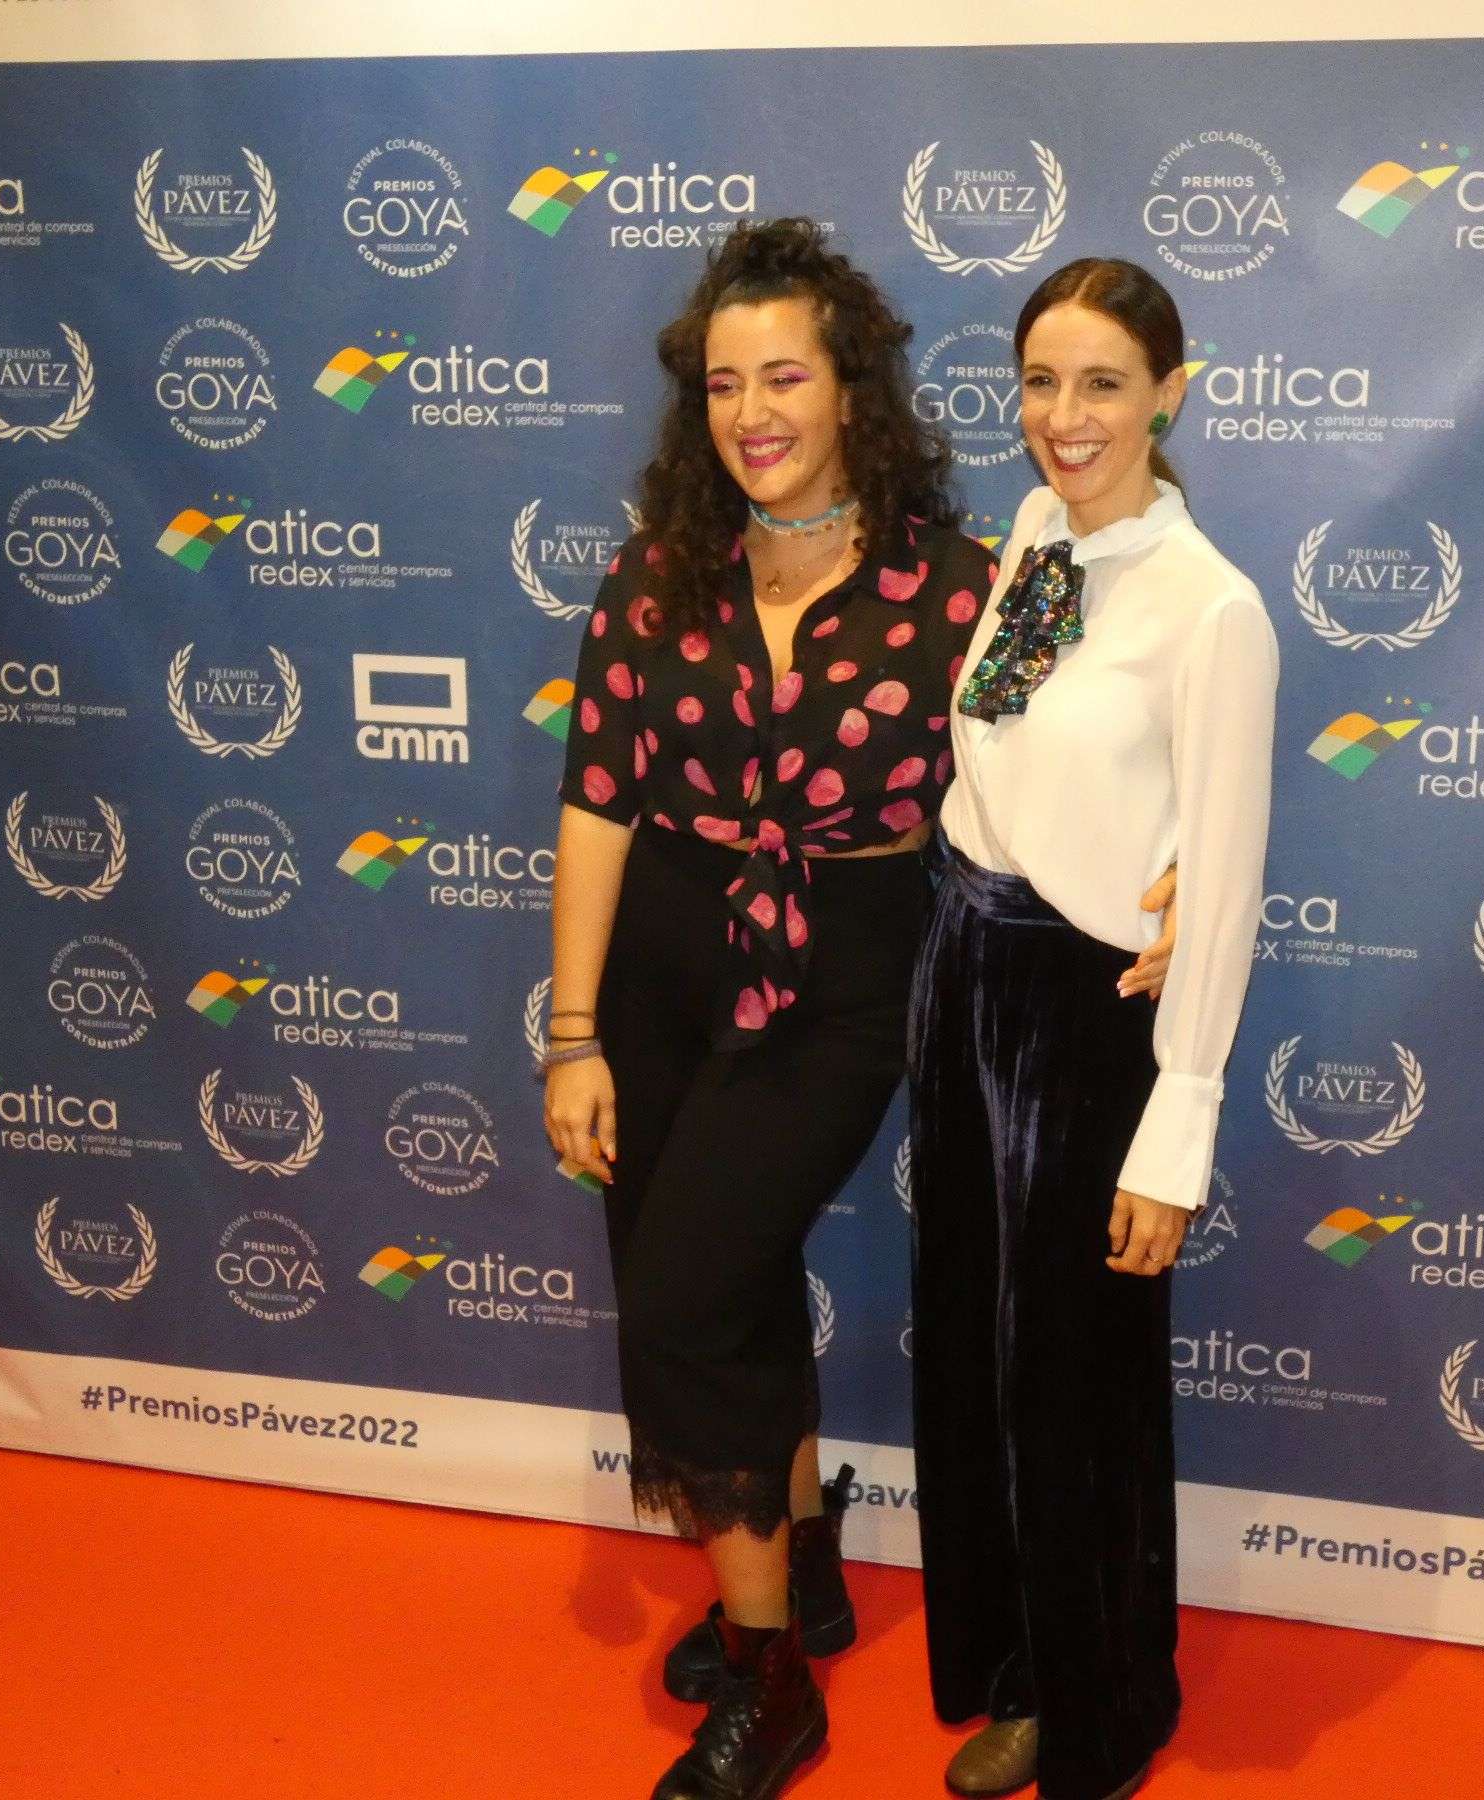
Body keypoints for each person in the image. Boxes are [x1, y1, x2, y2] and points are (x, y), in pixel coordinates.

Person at [539, 216, 1003, 1800]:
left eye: (785, 376)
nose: (754, 413)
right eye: (726, 384)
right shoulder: (659, 569)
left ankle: (770, 1683)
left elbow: (1080, 752)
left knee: (687, 1301)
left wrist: (1165, 875)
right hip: (662, 960)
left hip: (842, 970)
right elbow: (598, 796)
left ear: (852, 386)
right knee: (716, 1287)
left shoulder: (969, 590)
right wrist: (574, 1034)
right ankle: (799, 1564)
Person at [907, 257, 1279, 1800]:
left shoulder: (1213, 609)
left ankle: (1096, 1703)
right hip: (967, 971)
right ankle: (1011, 1661)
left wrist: (1176, 1125)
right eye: (1042, 383)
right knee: (971, 1351)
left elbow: (1230, 881)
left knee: (1073, 1380)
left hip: (1086, 1012)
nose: (1067, 418)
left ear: (1170, 394)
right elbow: (999, 757)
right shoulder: (1042, 537)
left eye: (1105, 385)